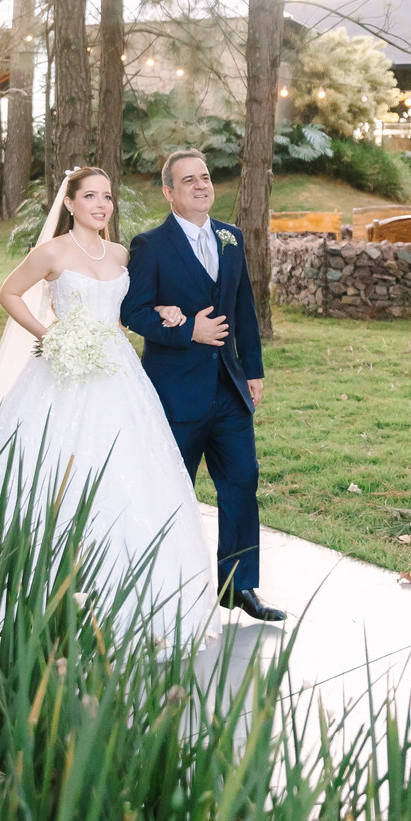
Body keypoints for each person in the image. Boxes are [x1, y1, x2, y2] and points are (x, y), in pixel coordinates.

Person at [0, 166, 218, 643]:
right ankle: (49, 594)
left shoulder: (121, 254)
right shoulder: (51, 251)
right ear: (69, 203)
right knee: (60, 471)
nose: (101, 205)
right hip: (63, 373)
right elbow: (9, 293)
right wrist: (49, 335)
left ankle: (130, 599)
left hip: (118, 373)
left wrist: (165, 310)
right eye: (90, 196)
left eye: (107, 197)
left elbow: (129, 311)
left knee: (129, 472)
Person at [121, 149, 283, 624]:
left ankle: (239, 586)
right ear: (168, 192)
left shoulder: (231, 237)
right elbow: (133, 312)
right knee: (173, 490)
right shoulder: (150, 245)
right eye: (188, 180)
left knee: (242, 481)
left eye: (205, 177)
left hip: (229, 388)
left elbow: (244, 308)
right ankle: (166, 588)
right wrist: (187, 330)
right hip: (176, 393)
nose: (201, 185)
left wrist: (253, 371)